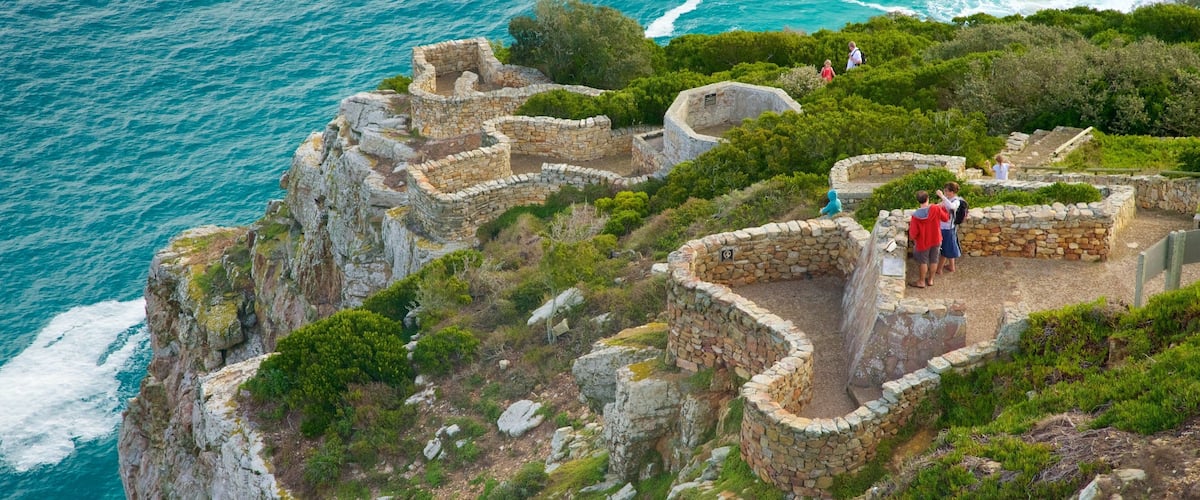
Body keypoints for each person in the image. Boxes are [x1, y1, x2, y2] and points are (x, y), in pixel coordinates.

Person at [909, 190, 949, 288]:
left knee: (923, 262)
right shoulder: (935, 208)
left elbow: (913, 233)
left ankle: (921, 281)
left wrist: (914, 239)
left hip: (923, 242)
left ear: (918, 201)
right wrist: (942, 207)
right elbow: (945, 218)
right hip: (936, 238)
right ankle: (931, 280)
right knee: (934, 260)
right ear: (927, 198)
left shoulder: (915, 216)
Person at [935, 182, 963, 275]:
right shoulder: (947, 199)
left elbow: (952, 206)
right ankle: (952, 266)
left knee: (945, 249)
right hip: (945, 227)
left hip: (948, 228)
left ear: (952, 192)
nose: (945, 192)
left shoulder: (956, 201)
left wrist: (942, 196)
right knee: (950, 247)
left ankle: (939, 269)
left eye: (946, 191)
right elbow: (939, 206)